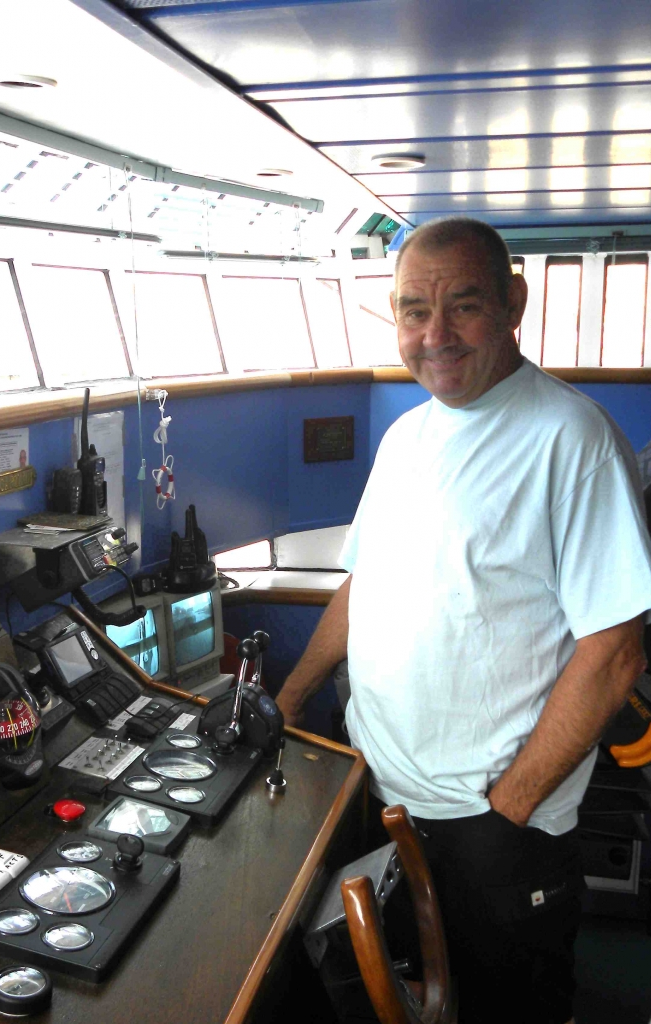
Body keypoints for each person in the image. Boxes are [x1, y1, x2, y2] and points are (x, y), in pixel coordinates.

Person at [276, 217, 651, 1024]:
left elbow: (616, 652)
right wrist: (291, 695)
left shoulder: (571, 439)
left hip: (494, 823)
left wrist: (508, 808)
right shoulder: (408, 435)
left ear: (515, 302)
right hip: (380, 793)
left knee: (509, 1007)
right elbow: (361, 581)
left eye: (464, 306)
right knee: (406, 997)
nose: (435, 334)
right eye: (415, 310)